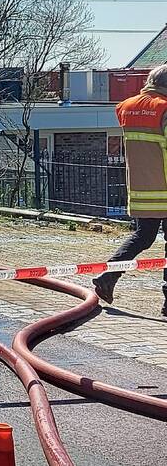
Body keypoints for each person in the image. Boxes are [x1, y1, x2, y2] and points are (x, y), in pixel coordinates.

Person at [93, 64, 167, 317]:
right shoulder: (164, 108)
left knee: (143, 237)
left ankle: (108, 275)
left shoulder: (125, 107)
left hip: (141, 189)